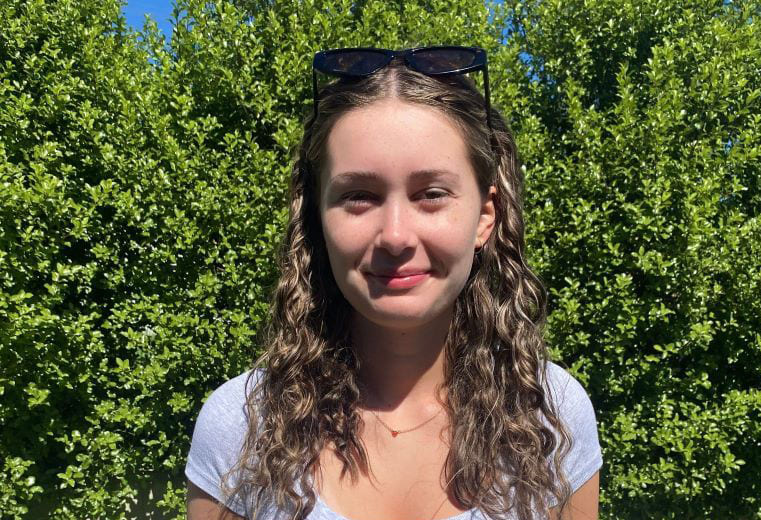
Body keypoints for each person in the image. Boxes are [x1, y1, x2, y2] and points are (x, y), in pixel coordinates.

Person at [185, 46, 602, 520]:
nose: (397, 235)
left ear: (485, 216)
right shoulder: (241, 428)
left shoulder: (549, 414)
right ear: (317, 219)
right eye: (359, 196)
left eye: (431, 195)